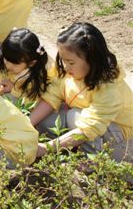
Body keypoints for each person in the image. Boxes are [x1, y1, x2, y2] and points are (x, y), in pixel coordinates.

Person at [30, 23, 132, 162]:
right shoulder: (73, 72)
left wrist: (46, 148)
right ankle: (70, 149)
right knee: (46, 121)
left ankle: (90, 164)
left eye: (71, 63)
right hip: (91, 127)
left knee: (74, 116)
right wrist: (27, 124)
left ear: (92, 59)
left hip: (122, 143)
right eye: (64, 60)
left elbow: (88, 129)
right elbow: (52, 95)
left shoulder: (109, 89)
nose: (66, 67)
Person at [0, 28, 50, 105]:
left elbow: (32, 103)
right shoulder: (9, 66)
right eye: (6, 59)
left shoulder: (34, 79)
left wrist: (12, 90)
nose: (8, 65)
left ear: (31, 63)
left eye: (15, 64)